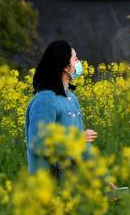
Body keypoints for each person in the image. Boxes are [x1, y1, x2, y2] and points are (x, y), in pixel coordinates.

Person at [24, 40, 98, 180]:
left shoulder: (71, 99)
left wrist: (104, 180)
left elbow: (84, 149)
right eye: (75, 59)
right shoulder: (44, 100)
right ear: (65, 66)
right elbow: (37, 144)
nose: (79, 63)